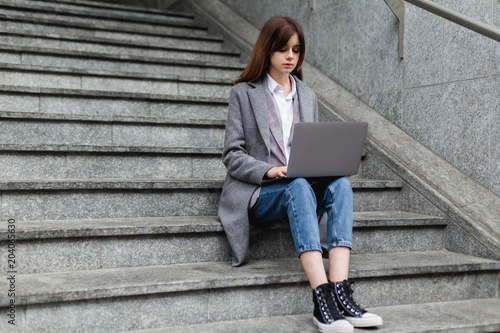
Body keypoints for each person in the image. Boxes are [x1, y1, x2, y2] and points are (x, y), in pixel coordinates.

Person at [218, 16, 383, 332]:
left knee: (341, 186)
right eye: (282, 49)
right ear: (267, 51)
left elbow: (315, 149)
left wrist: (323, 167)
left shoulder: (307, 95)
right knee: (297, 188)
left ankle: (341, 293)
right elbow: (232, 155)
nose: (290, 56)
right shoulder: (244, 92)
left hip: (303, 184)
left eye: (296, 49)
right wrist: (269, 169)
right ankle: (322, 301)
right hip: (263, 191)